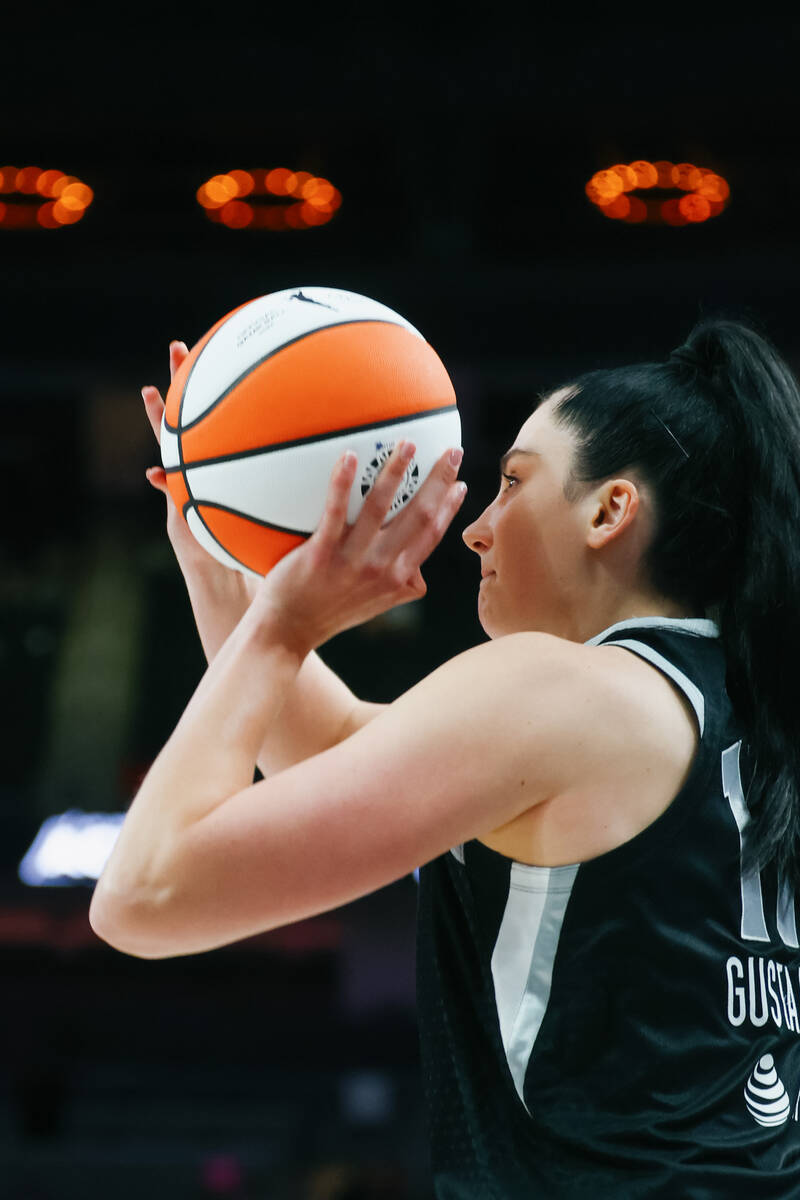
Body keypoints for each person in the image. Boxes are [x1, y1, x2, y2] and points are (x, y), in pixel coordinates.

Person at [89, 316, 800, 1198]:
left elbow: (145, 896)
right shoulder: (743, 712)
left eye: (511, 482)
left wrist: (284, 627)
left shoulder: (563, 692)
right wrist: (219, 565)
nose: (478, 527)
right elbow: (341, 751)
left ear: (611, 511)